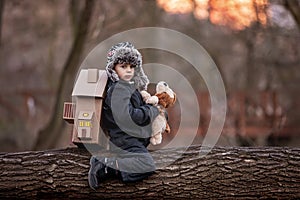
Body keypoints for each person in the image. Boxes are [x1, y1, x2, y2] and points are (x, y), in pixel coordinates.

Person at [88, 42, 160, 190]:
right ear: (113, 68)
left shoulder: (128, 87)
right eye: (123, 66)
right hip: (124, 139)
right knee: (146, 164)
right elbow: (126, 117)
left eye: (132, 67)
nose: (128, 70)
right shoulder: (118, 89)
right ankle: (105, 166)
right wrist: (150, 111)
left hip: (131, 138)